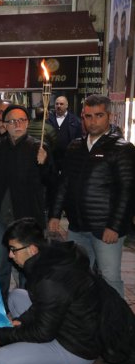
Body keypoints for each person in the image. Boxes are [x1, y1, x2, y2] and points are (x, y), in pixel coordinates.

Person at [0, 218, 99, 364]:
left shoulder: (49, 280)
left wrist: (3, 335)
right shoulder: (53, 255)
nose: (10, 256)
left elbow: (43, 332)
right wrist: (23, 320)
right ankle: (52, 358)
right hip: (72, 325)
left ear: (32, 249)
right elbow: (44, 303)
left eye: (14, 249)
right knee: (17, 296)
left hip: (77, 347)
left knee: (0, 361)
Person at [49, 95, 135, 297]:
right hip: (77, 226)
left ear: (110, 116)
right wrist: (54, 214)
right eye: (88, 116)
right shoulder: (75, 146)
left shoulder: (122, 149)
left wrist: (114, 226)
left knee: (109, 278)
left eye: (99, 115)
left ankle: (117, 326)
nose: (93, 121)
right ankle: (88, 323)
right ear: (82, 117)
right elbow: (65, 184)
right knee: (78, 277)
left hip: (106, 228)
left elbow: (127, 190)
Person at [0, 105, 52, 305]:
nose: (18, 125)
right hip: (0, 219)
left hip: (27, 220)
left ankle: (26, 308)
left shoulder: (38, 147)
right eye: (12, 121)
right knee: (0, 266)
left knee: (29, 267)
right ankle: (1, 307)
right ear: (4, 125)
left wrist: (45, 163)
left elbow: (51, 182)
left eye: (22, 120)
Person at [47, 96, 82, 171]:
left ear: (67, 105)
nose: (58, 106)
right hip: (52, 157)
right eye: (57, 104)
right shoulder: (48, 120)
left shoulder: (75, 121)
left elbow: (79, 139)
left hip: (68, 157)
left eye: (61, 104)